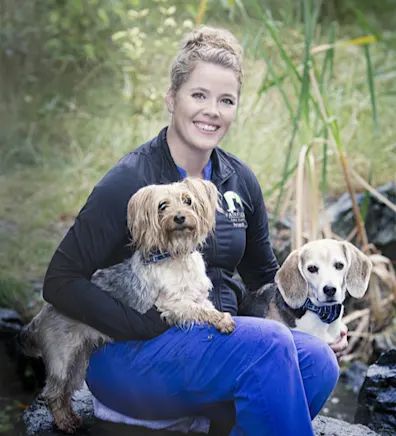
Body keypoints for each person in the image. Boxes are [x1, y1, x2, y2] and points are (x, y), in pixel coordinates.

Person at [42, 25, 348, 435]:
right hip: (132, 357)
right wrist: (140, 323)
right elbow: (60, 282)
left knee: (318, 360)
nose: (212, 110)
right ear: (172, 98)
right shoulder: (128, 182)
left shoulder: (240, 180)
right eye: (198, 95)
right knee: (269, 345)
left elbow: (265, 283)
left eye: (226, 100)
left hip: (213, 347)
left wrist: (320, 316)